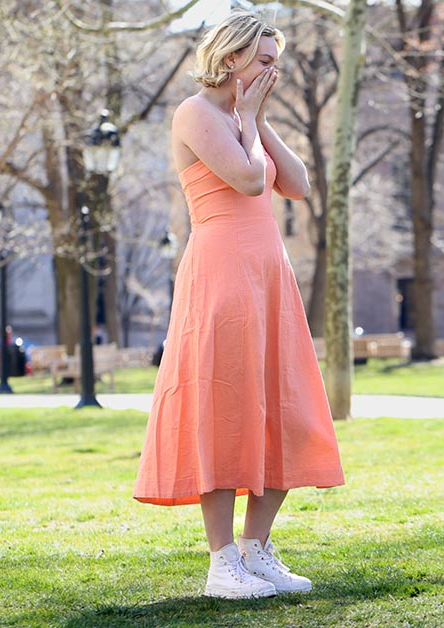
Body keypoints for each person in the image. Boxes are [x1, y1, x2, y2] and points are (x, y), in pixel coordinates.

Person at [133, 11, 345, 600]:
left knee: (285, 406)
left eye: (276, 61)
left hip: (269, 274)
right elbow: (251, 181)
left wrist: (258, 118)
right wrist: (247, 118)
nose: (273, 72)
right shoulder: (196, 114)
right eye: (265, 61)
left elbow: (296, 184)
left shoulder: (244, 117)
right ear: (231, 59)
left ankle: (257, 549)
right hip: (221, 274)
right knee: (224, 408)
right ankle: (221, 561)